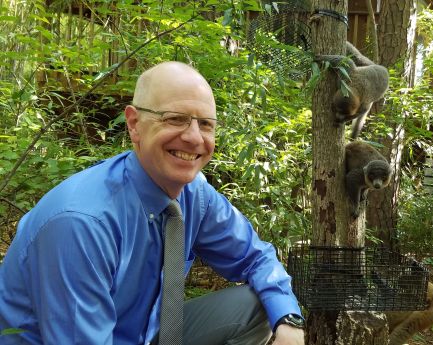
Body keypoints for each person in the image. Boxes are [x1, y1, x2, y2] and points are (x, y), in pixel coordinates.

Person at [0, 61, 305, 345]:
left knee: (260, 304)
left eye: (206, 124)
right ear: (134, 124)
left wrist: (289, 321)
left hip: (145, 335)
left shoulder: (194, 194)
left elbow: (256, 258)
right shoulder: (81, 222)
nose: (194, 138)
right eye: (175, 119)